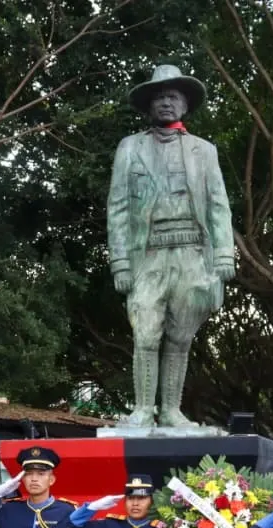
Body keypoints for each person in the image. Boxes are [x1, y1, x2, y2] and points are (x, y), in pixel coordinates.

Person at [106, 65, 235, 428]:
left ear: (184, 105)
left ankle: (172, 410)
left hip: (193, 255)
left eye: (173, 96)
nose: (166, 102)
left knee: (180, 336)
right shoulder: (130, 148)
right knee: (145, 331)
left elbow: (218, 206)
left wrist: (224, 253)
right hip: (147, 256)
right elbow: (117, 207)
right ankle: (143, 409)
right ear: (149, 106)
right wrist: (120, 263)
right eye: (159, 97)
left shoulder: (203, 151)